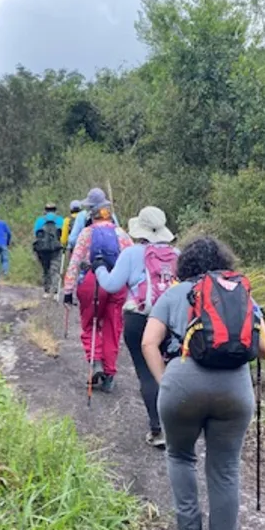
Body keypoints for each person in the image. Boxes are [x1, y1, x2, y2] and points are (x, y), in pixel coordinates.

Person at [141, 236, 265, 530]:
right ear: (223, 262)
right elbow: (264, 348)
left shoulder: (174, 293)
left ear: (184, 264)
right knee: (225, 469)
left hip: (182, 382)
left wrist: (164, 381)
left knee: (180, 455)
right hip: (234, 388)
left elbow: (148, 342)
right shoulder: (242, 295)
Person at [94, 206, 179, 446]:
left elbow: (111, 285)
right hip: (172, 321)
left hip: (140, 319)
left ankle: (158, 429)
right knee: (172, 371)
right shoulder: (177, 254)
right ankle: (177, 427)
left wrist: (99, 267)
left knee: (147, 372)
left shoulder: (132, 254)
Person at [63, 189, 132, 392]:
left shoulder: (86, 233)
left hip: (92, 283)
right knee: (113, 328)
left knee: (90, 325)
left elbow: (75, 262)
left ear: (90, 213)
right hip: (117, 282)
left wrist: (68, 289)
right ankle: (110, 374)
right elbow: (133, 257)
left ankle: (96, 362)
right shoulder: (121, 233)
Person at [33, 203, 65, 298]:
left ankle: (46, 291)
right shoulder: (60, 220)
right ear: (55, 210)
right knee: (55, 269)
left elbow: (36, 234)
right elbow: (64, 235)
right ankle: (55, 292)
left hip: (43, 250)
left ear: (45, 210)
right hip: (56, 248)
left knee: (45, 270)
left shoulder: (40, 221)